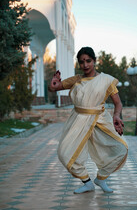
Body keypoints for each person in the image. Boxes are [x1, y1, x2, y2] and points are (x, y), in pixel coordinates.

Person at [49, 47, 128, 194]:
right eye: (81, 62)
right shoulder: (77, 80)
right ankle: (87, 182)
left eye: (88, 61)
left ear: (94, 60)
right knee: (64, 153)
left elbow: (118, 103)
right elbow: (55, 87)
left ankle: (101, 179)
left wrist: (116, 115)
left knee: (121, 148)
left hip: (100, 120)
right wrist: (53, 84)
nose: (85, 65)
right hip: (78, 120)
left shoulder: (106, 80)